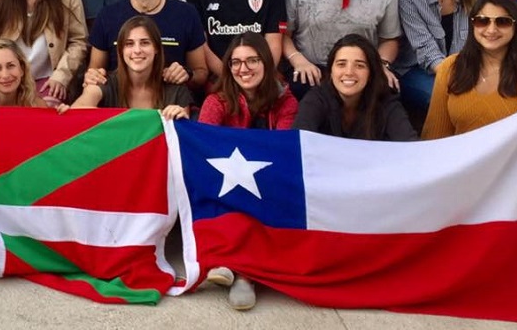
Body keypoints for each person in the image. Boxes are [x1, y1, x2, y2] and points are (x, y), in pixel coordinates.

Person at [199, 32, 298, 310]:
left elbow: (282, 150)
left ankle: (245, 275)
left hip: (269, 184)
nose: (244, 69)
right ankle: (229, 262)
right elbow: (204, 145)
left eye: (252, 60)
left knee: (264, 191)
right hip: (228, 185)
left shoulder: (286, 101)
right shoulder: (216, 101)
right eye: (236, 63)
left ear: (266, 62)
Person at [423, 0, 517, 139]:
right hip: (460, 160)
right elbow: (435, 134)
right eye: (482, 21)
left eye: (502, 22)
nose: (491, 30)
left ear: (516, 26)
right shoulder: (450, 67)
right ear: (472, 25)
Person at [396, 0, 484, 113]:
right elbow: (425, 49)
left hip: (463, 71)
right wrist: (456, 80)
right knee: (446, 98)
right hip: (416, 70)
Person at [292, 34, 417, 141]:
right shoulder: (316, 99)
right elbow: (298, 142)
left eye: (359, 66)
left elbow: (410, 144)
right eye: (341, 64)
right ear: (331, 72)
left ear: (371, 73)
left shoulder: (386, 101)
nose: (349, 72)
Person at [63, 16, 192, 120]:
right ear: (121, 51)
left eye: (145, 43)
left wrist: (180, 118)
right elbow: (79, 110)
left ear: (156, 48)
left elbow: (182, 139)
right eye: (129, 44)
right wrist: (70, 114)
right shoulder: (104, 81)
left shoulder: (176, 89)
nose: (137, 50)